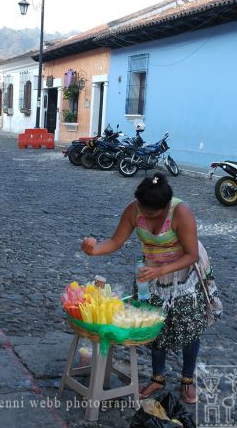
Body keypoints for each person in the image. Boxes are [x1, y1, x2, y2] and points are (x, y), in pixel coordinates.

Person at [81, 172, 218, 403]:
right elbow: (115, 241)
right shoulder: (134, 209)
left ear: (165, 207)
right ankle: (157, 377)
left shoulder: (180, 212)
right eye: (142, 209)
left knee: (189, 326)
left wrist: (160, 270)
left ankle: (187, 379)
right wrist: (93, 250)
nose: (144, 215)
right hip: (151, 272)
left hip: (184, 272)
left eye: (151, 213)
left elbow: (192, 254)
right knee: (153, 325)